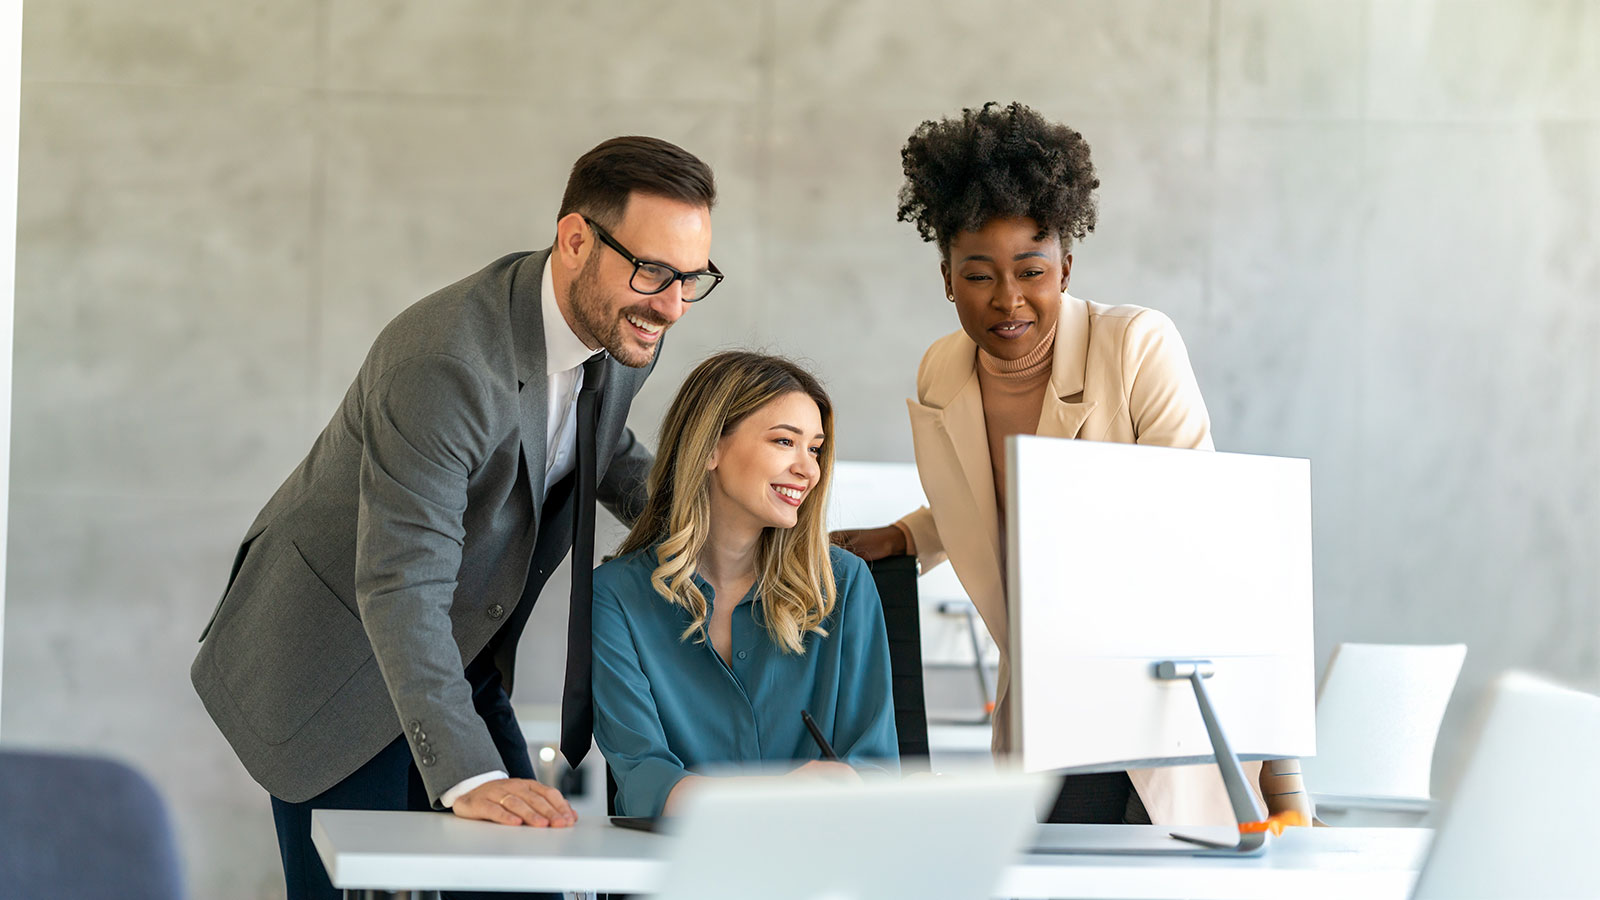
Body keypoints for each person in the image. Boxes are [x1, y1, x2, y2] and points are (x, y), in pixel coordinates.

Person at [191, 136, 722, 899]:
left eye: (692, 279)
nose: (672, 306)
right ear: (576, 240)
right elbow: (402, 580)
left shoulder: (621, 324)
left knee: (526, 872)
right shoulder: (444, 363)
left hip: (452, 655)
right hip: (333, 664)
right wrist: (468, 773)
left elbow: (596, 447)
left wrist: (727, 524)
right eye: (654, 272)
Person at [833, 102, 1310, 826]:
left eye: (1031, 270)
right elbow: (985, 495)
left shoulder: (1136, 346)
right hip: (1048, 710)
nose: (1008, 300)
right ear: (946, 277)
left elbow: (1211, 534)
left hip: (1158, 702)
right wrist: (909, 538)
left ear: (1066, 266)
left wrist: (1284, 777)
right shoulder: (942, 371)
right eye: (979, 275)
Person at [592, 351, 898, 817]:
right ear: (710, 446)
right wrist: (774, 799)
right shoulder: (615, 596)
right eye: (783, 441)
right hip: (679, 876)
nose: (808, 469)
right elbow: (643, 779)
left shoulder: (844, 584)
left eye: (814, 449)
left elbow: (875, 771)